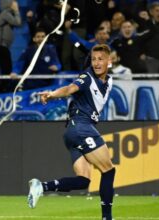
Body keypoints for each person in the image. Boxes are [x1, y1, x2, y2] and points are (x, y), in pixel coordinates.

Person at [27, 44, 115, 220]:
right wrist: (52, 94)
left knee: (83, 180)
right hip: (81, 128)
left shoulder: (109, 81)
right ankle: (107, 217)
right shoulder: (86, 77)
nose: (96, 63)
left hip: (72, 132)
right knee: (108, 171)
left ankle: (41, 187)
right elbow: (69, 89)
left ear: (109, 61)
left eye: (100, 59)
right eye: (93, 59)